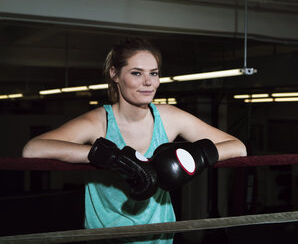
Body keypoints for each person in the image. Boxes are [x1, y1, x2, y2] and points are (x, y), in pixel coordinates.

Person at [22, 37, 247, 243]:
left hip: (158, 237)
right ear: (115, 74)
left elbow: (238, 147)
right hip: (107, 237)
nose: (148, 82)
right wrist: (112, 157)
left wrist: (193, 157)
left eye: (154, 73)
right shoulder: (99, 122)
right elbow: (33, 149)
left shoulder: (169, 118)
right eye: (137, 73)